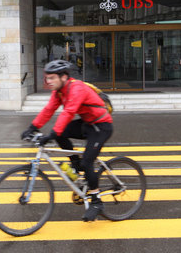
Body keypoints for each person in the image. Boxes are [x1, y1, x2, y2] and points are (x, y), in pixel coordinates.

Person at [21, 60, 113, 222]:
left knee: (87, 162)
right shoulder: (59, 92)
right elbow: (49, 110)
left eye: (52, 78)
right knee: (62, 134)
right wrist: (32, 127)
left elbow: (69, 112)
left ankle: (97, 202)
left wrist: (51, 134)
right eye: (47, 78)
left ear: (64, 77)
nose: (48, 81)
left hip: (101, 127)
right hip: (87, 124)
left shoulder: (76, 88)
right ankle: (76, 165)